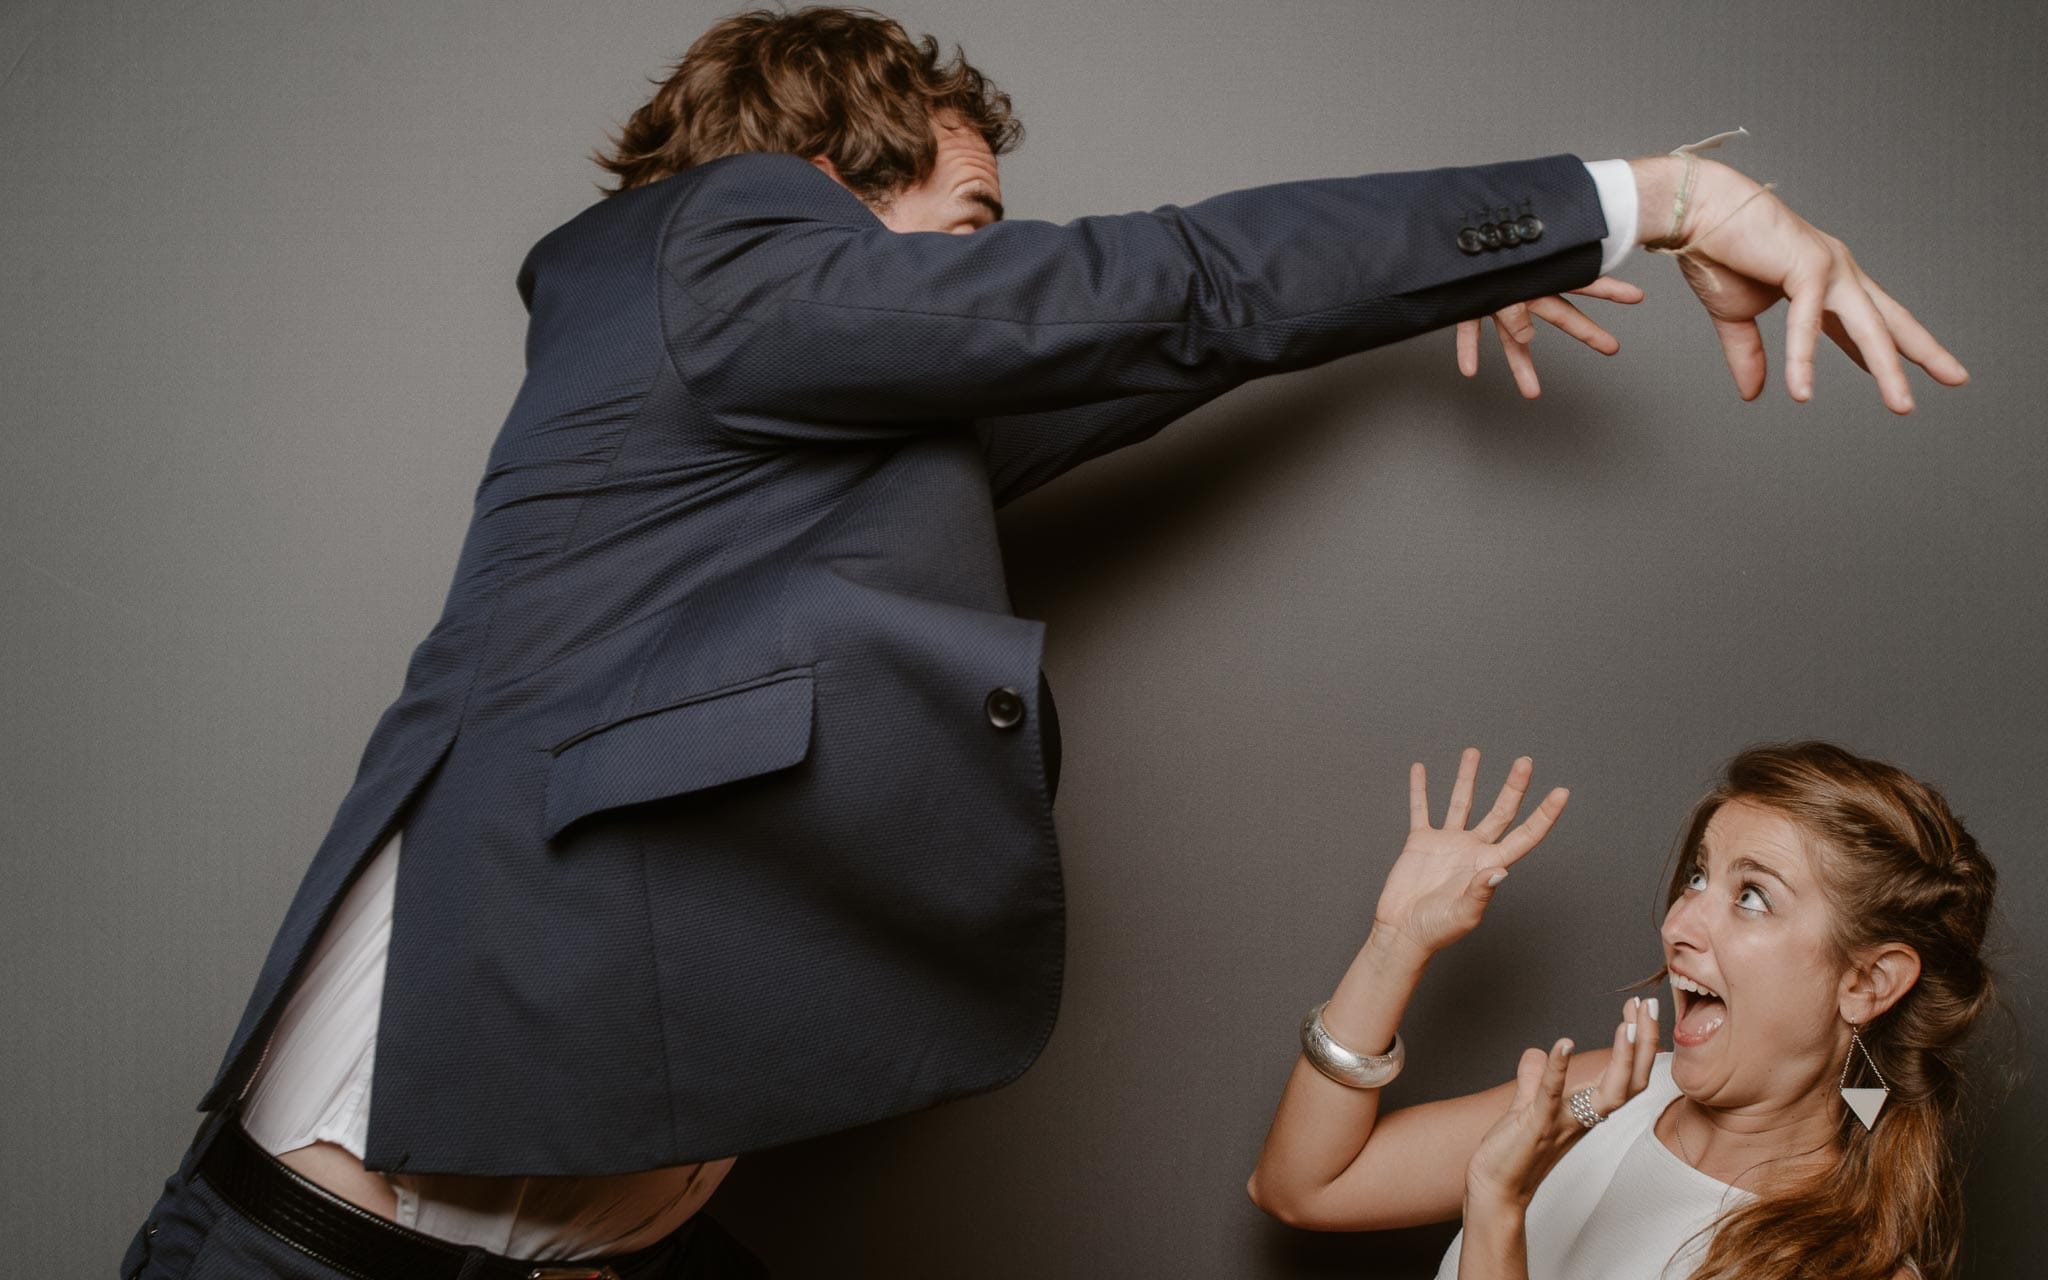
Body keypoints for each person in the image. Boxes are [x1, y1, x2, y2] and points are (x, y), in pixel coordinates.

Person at [123, 4, 1970, 1277]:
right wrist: (1650, 197)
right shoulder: (704, 252)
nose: (1004, 267)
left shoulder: (813, 412)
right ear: (825, 187)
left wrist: (1468, 267)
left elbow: (1169, 340)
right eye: (975, 223)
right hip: (327, 1251)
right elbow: (1149, 289)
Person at [1247, 743, 2001, 1280]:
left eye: (1751, 896)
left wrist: (1498, 1208)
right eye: (1699, 876)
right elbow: (1301, 1186)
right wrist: (1395, 945)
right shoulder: (1613, 1093)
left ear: (1867, 984)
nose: (1679, 923)